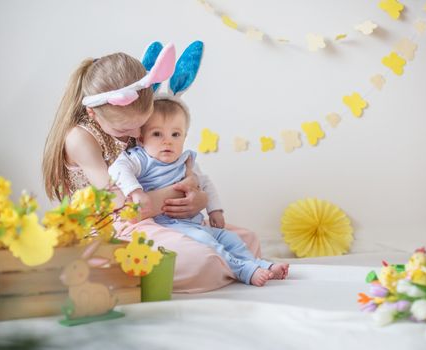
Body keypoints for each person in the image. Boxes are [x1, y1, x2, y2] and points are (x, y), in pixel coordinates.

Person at [42, 43, 264, 292]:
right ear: (94, 114)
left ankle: (234, 265)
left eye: (144, 124)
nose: (138, 134)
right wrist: (181, 191)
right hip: (112, 227)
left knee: (248, 240)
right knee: (201, 261)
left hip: (162, 217)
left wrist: (199, 197)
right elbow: (127, 208)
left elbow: (178, 168)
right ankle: (234, 267)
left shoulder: (130, 117)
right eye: (126, 130)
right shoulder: (80, 139)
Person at [109, 98, 289, 286]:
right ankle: (243, 270)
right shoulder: (141, 159)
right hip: (168, 225)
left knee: (230, 238)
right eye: (157, 134)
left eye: (175, 134)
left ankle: (258, 264)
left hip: (194, 223)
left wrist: (215, 210)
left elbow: (206, 183)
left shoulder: (186, 161)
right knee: (206, 241)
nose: (167, 141)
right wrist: (136, 191)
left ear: (185, 137)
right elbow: (117, 168)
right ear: (141, 138)